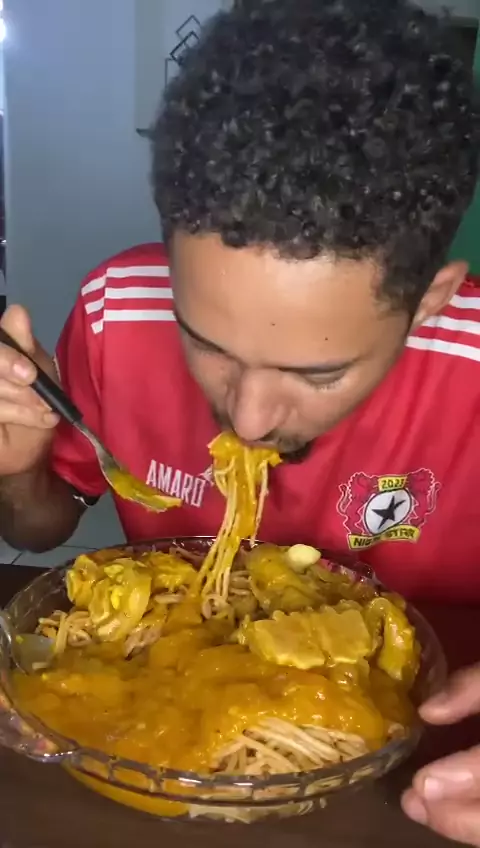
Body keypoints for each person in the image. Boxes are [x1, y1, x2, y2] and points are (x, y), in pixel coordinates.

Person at [0, 0, 479, 840]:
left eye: (318, 372)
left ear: (430, 300)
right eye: (206, 342)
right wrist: (17, 468)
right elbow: (39, 529)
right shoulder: (119, 309)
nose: (249, 420)